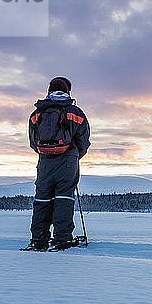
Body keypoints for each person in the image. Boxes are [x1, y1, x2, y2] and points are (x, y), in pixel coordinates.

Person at [24, 77, 91, 251]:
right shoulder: (75, 112)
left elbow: (33, 142)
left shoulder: (37, 114)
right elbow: (84, 140)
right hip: (68, 161)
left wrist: (46, 153)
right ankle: (62, 239)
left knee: (42, 199)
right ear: (67, 91)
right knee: (64, 199)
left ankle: (39, 240)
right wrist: (75, 155)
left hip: (45, 163)